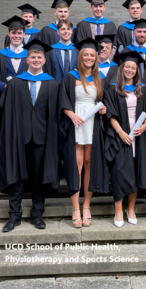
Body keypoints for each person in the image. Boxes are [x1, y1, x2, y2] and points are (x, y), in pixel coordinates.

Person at [0, 39, 59, 232]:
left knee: (39, 178)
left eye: (39, 57)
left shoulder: (52, 84)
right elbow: (6, 112)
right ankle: (14, 216)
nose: (36, 60)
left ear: (44, 60)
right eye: (33, 57)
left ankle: (37, 214)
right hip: (19, 137)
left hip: (42, 138)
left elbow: (56, 114)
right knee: (16, 177)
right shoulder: (15, 83)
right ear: (27, 59)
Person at [59, 37, 108, 228]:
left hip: (93, 123)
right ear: (80, 57)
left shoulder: (100, 78)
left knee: (89, 163)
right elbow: (62, 99)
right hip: (76, 122)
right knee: (76, 164)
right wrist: (70, 114)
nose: (89, 58)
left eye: (92, 55)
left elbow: (104, 101)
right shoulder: (70, 76)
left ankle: (87, 205)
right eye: (86, 55)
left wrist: (103, 109)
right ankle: (75, 208)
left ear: (96, 58)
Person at [104, 52, 146, 227]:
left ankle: (130, 208)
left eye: (133, 67)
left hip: (139, 137)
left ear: (137, 70)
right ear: (121, 68)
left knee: (136, 171)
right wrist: (120, 132)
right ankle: (118, 208)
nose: (130, 70)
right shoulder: (112, 89)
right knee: (119, 172)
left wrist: (145, 126)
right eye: (127, 67)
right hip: (121, 136)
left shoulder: (144, 89)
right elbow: (110, 113)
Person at [0, 16, 30, 150]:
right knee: (5, 134)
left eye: (19, 33)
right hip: (5, 101)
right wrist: (5, 86)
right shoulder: (0, 55)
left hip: (26, 101)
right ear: (9, 34)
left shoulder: (30, 56)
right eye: (13, 32)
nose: (16, 36)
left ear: (24, 34)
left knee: (24, 134)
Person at [122, 19, 146, 84]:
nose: (142, 34)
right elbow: (122, 72)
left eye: (145, 32)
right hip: (131, 89)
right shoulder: (126, 51)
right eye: (139, 31)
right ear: (134, 33)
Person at [45, 19, 78, 84]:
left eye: (68, 29)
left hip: (74, 87)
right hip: (55, 88)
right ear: (58, 32)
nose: (66, 31)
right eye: (63, 29)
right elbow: (48, 71)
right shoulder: (50, 51)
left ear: (71, 31)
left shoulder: (78, 50)